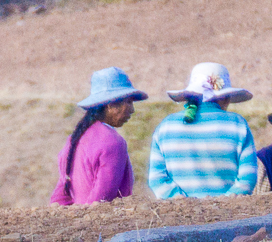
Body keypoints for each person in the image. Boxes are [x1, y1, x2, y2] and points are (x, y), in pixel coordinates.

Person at [147, 63, 258, 199]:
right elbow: (248, 179)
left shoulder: (165, 127)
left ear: (190, 96)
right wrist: (222, 204)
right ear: (225, 97)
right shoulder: (238, 125)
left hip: (180, 218)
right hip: (228, 217)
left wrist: (183, 204)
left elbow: (157, 179)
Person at [52, 67, 147, 207]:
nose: (132, 110)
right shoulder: (113, 142)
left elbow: (60, 197)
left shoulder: (73, 140)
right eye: (129, 102)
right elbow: (101, 201)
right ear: (111, 104)